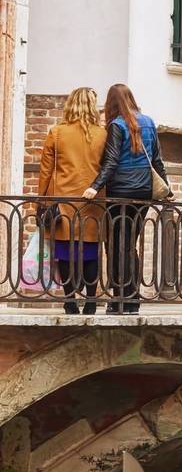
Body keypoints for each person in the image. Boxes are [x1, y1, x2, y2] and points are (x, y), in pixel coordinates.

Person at [83, 84, 170, 314]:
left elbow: (110, 163)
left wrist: (94, 186)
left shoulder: (117, 125)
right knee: (130, 245)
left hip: (120, 193)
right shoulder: (149, 122)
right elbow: (158, 160)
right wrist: (167, 189)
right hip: (143, 193)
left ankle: (120, 298)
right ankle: (132, 299)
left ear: (111, 103)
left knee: (116, 245)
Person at [38, 87, 107, 314]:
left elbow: (46, 172)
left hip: (64, 201)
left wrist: (41, 202)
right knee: (90, 251)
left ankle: (69, 300)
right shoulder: (103, 134)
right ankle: (90, 301)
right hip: (93, 202)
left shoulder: (57, 132)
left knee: (65, 251)